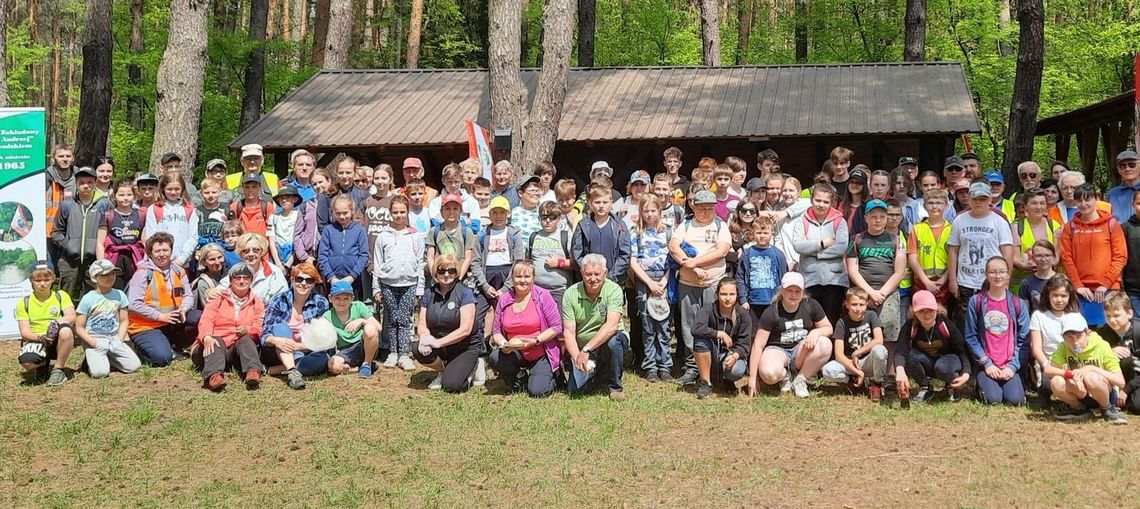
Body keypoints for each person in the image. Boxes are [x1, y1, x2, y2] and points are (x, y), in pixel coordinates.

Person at [670, 189, 732, 386]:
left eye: (710, 208)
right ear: (693, 207)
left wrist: (694, 263)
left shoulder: (720, 225)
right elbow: (673, 246)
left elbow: (722, 251)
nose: (706, 212)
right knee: (689, 325)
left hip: (713, 283)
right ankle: (692, 366)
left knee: (713, 324)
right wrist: (693, 267)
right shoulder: (686, 225)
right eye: (702, 208)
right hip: (688, 284)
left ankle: (714, 365)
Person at [747, 272, 833, 398]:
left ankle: (800, 380)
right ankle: (785, 376)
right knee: (769, 374)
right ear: (782, 290)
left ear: (802, 292)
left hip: (801, 350)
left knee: (825, 344)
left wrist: (815, 332)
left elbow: (829, 328)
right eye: (789, 290)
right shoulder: (771, 311)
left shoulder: (811, 305)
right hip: (777, 350)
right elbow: (758, 345)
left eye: (797, 291)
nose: (793, 294)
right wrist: (753, 377)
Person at [488, 261, 565, 397]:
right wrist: (504, 344)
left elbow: (557, 326)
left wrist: (535, 341)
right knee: (494, 357)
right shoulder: (504, 299)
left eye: (527, 277)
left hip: (541, 352)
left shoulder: (543, 296)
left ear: (533, 278)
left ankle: (554, 376)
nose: (522, 280)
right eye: (518, 277)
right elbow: (496, 331)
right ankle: (520, 377)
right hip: (516, 351)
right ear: (512, 278)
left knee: (537, 392)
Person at [562, 254, 629, 400]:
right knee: (575, 390)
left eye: (597, 274)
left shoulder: (614, 290)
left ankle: (615, 387)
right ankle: (601, 374)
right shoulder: (570, 294)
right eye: (588, 274)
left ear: (605, 273)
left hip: (608, 341)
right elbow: (568, 332)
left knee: (614, 341)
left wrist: (587, 350)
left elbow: (611, 326)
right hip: (584, 348)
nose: (593, 278)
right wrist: (577, 357)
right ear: (581, 274)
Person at [413, 254, 484, 392]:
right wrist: (425, 338)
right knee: (417, 348)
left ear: (456, 272)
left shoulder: (465, 292)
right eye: (441, 270)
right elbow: (422, 324)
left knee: (452, 386)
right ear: (435, 272)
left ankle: (474, 365)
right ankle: (442, 370)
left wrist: (438, 343)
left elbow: (466, 329)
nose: (446, 274)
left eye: (451, 270)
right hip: (440, 344)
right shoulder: (429, 293)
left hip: (464, 347)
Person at [127, 232, 200, 366]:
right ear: (150, 253)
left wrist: (184, 309)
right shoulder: (143, 273)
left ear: (171, 251)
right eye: (157, 251)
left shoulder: (178, 270)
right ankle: (139, 350)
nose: (162, 254)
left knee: (200, 317)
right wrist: (160, 316)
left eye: (165, 250)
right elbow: (133, 304)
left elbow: (188, 295)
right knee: (161, 359)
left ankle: (173, 346)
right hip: (145, 325)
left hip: (171, 321)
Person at [965, 257, 1029, 406]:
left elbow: (1024, 339)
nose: (998, 276)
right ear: (986, 274)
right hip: (987, 364)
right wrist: (987, 364)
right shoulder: (976, 301)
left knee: (1015, 401)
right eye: (993, 272)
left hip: (1009, 365)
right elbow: (970, 336)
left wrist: (1013, 367)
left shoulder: (1017, 303)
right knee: (994, 399)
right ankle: (980, 383)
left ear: (1008, 274)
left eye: (1002, 272)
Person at [1060, 183, 1127, 327]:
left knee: (1110, 337)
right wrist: (1077, 285)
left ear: (1096, 199)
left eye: (1087, 199)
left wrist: (1105, 284)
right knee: (1081, 336)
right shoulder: (1070, 227)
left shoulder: (1112, 225)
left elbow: (1120, 257)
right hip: (1081, 292)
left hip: (1108, 291)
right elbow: (1066, 258)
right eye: (1079, 200)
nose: (1083, 204)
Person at [192, 262, 266, 391]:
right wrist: (206, 337)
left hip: (235, 351)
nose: (242, 281)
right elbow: (206, 319)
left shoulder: (256, 302)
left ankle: (253, 372)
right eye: (237, 277)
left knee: (246, 339)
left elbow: (260, 326)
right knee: (216, 340)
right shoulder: (218, 298)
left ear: (251, 280)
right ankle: (214, 376)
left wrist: (249, 329)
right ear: (231, 280)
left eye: (246, 277)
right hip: (211, 348)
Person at [948, 182, 1015, 323]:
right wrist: (952, 280)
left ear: (990, 200)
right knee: (965, 323)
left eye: (983, 199)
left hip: (991, 281)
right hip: (965, 281)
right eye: (975, 198)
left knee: (990, 322)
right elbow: (953, 250)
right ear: (970, 199)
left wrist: (1006, 279)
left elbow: (1008, 252)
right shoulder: (959, 220)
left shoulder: (999, 221)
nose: (979, 202)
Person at [1045, 313, 1128, 424]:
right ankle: (1080, 409)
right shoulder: (1064, 346)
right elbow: (1048, 370)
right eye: (1069, 337)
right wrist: (1070, 374)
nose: (1075, 343)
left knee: (1091, 377)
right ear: (1063, 337)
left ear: (1087, 333)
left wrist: (1091, 368)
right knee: (1056, 381)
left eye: (1079, 337)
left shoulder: (1102, 346)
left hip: (1103, 391)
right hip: (1079, 392)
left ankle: (1107, 409)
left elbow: (1121, 382)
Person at [372, 195, 425, 370]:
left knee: (404, 319)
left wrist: (419, 287)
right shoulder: (383, 236)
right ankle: (392, 352)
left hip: (409, 284)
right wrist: (376, 287)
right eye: (395, 212)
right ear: (390, 213)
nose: (399, 216)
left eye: (402, 212)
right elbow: (378, 263)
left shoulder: (415, 236)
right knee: (391, 319)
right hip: (388, 283)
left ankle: (404, 353)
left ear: (408, 212)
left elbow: (420, 263)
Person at [845, 199, 906, 350]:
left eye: (882, 216)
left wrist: (882, 294)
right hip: (863, 293)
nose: (878, 220)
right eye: (873, 216)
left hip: (888, 293)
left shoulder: (897, 240)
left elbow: (899, 272)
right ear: (866, 218)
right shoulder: (856, 239)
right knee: (862, 332)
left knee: (890, 334)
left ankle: (889, 371)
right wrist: (870, 293)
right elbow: (852, 269)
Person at [260, 263, 332, 389]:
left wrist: (298, 346)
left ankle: (273, 370)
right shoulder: (279, 300)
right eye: (299, 279)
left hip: (304, 351)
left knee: (323, 359)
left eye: (309, 280)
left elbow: (323, 340)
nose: (303, 283)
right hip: (277, 350)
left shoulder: (320, 302)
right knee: (280, 327)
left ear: (314, 284)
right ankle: (292, 371)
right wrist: (276, 340)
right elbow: (265, 333)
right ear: (292, 280)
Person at [894, 290, 972, 403]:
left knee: (942, 367)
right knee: (909, 356)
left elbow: (962, 350)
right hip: (928, 362)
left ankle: (952, 386)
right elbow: (901, 351)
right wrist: (900, 371)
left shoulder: (945, 325)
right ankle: (925, 387)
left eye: (930, 310)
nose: (926, 315)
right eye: (921, 311)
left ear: (936, 309)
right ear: (914, 312)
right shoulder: (910, 326)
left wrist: (966, 373)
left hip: (948, 361)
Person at [630, 194, 673, 382]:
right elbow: (633, 261)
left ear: (659, 211)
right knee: (647, 325)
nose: (649, 214)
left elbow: (673, 259)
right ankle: (650, 366)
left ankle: (665, 365)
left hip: (664, 279)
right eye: (645, 211)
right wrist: (649, 282)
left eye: (653, 211)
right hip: (644, 280)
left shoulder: (669, 232)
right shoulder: (635, 232)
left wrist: (664, 281)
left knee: (663, 324)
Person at [792, 183, 849, 326]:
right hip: (810, 279)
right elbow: (798, 245)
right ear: (811, 200)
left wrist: (814, 252)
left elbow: (841, 247)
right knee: (811, 322)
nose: (821, 205)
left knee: (832, 321)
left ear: (832, 203)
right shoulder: (802, 220)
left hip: (834, 280)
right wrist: (822, 243)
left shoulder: (839, 221)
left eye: (826, 202)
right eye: (818, 200)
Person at [76, 260, 142, 379]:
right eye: (105, 275)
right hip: (95, 338)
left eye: (112, 273)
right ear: (94, 278)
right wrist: (93, 342)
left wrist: (119, 339)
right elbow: (79, 327)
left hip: (113, 337)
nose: (110, 277)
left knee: (134, 366)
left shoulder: (120, 295)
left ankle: (107, 357)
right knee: (100, 373)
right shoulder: (88, 298)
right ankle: (95, 359)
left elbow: (124, 320)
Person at [16, 261, 77, 386]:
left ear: (53, 278)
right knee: (26, 362)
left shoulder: (61, 296)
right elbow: (25, 332)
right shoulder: (24, 302)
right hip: (38, 339)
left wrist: (56, 323)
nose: (42, 284)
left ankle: (58, 370)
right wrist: (41, 338)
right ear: (31, 280)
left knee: (66, 330)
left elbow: (71, 316)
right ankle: (42, 364)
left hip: (57, 339)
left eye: (47, 279)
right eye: (38, 280)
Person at [821, 287, 888, 401]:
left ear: (867, 304)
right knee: (828, 370)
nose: (858, 309)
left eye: (861, 305)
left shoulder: (871, 316)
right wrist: (858, 371)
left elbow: (879, 339)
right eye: (854, 304)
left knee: (880, 350)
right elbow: (839, 354)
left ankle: (876, 384)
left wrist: (858, 352)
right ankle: (854, 380)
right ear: (847, 304)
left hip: (868, 360)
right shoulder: (842, 323)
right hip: (851, 363)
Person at [691, 277, 752, 398]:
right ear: (717, 294)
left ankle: (728, 380)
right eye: (724, 294)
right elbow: (696, 328)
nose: (728, 298)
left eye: (732, 294)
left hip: (731, 355)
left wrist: (735, 356)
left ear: (737, 295)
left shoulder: (743, 315)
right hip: (711, 352)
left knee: (737, 371)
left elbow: (745, 344)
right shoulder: (707, 309)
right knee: (700, 340)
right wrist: (719, 333)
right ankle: (705, 382)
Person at [52, 166, 107, 300]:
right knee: (67, 298)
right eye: (81, 183)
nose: (86, 186)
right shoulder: (67, 205)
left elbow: (109, 231)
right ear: (76, 184)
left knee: (94, 298)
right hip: (69, 261)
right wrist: (67, 245)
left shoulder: (104, 205)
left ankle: (89, 321)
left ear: (95, 183)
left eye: (89, 182)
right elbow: (56, 231)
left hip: (93, 262)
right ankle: (68, 321)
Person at [1029, 275, 1080, 402]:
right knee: (1048, 385)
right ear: (1048, 295)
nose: (1059, 300)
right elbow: (1036, 348)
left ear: (1069, 296)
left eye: (1063, 296)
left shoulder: (1075, 315)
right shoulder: (1038, 315)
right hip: (1049, 361)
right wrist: (1046, 365)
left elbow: (1080, 344)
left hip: (1071, 360)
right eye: (1055, 295)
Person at [572, 184, 632, 285]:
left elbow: (625, 254)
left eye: (605, 202)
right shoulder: (583, 225)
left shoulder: (619, 225)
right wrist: (590, 274)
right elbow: (577, 252)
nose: (601, 205)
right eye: (597, 202)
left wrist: (611, 276)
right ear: (590, 203)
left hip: (614, 281)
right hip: (589, 282)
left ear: (611, 203)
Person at [324, 280, 382, 377]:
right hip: (345, 351)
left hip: (364, 345)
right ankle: (358, 368)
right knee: (332, 366)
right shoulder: (327, 316)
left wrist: (362, 321)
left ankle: (367, 363)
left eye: (346, 298)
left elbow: (378, 327)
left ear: (352, 299)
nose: (341, 302)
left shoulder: (359, 306)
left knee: (370, 328)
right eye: (337, 298)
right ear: (330, 298)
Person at [736, 216, 787, 324]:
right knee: (753, 332)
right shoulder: (747, 254)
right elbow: (740, 277)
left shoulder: (779, 254)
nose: (762, 236)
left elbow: (784, 277)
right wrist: (743, 300)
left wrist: (782, 298)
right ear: (753, 233)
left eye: (765, 233)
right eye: (759, 233)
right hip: (753, 302)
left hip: (773, 301)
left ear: (772, 233)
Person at [143, 173, 199, 268]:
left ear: (182, 189)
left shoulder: (189, 208)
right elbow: (151, 237)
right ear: (163, 189)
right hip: (160, 262)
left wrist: (182, 259)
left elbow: (193, 237)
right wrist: (162, 256)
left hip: (182, 263)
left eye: (177, 189)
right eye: (169, 189)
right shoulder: (154, 208)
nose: (173, 192)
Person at [97, 179, 145, 289]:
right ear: (114, 196)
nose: (126, 198)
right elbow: (100, 242)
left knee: (134, 292)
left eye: (129, 194)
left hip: (135, 259)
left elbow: (144, 241)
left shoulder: (141, 215)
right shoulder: (108, 215)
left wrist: (145, 262)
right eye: (121, 195)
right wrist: (101, 264)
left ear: (134, 196)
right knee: (116, 291)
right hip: (114, 259)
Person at [908, 188, 953, 306]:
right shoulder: (917, 228)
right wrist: (926, 282)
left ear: (946, 206)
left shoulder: (952, 229)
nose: (934, 206)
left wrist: (942, 281)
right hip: (922, 284)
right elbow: (912, 258)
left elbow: (955, 258)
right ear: (924, 206)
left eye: (939, 203)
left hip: (945, 285)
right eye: (931, 203)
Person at [318, 194, 369, 296]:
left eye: (345, 213)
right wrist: (331, 277)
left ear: (352, 211)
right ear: (332, 213)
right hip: (332, 279)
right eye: (338, 213)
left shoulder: (359, 230)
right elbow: (322, 256)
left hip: (353, 279)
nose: (342, 216)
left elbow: (364, 255)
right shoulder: (328, 230)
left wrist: (352, 276)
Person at [214, 232, 288, 302]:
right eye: (246, 251)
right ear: (240, 254)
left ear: (262, 252)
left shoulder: (274, 272)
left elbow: (281, 302)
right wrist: (212, 292)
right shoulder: (237, 270)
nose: (251, 254)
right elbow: (222, 287)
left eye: (256, 250)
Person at [1011, 188, 1060, 292]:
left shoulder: (1054, 226)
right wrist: (1024, 265)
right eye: (1034, 203)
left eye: (1042, 203)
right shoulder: (1016, 227)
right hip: (1022, 284)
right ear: (1026, 207)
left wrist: (1044, 264)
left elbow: (1056, 257)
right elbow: (1014, 258)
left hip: (1049, 284)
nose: (1038, 207)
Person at [526, 201, 575, 304]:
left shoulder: (566, 236)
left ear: (559, 219)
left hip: (560, 291)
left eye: (552, 218)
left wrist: (558, 263)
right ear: (539, 218)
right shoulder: (534, 237)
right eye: (544, 217)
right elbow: (527, 263)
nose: (548, 221)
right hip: (536, 290)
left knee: (558, 320)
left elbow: (577, 264)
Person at [1100, 291, 1140, 414]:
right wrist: (1109, 351)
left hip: (1136, 379)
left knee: (1137, 407)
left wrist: (1127, 390)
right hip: (1115, 379)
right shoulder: (1103, 333)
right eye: (1108, 316)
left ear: (1129, 313)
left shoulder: (1138, 332)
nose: (1112, 320)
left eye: (1116, 315)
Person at [292, 167, 335, 265]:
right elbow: (297, 233)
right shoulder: (306, 205)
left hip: (329, 256)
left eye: (320, 182)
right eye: (314, 184)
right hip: (308, 257)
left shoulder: (336, 202)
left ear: (329, 180)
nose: (318, 186)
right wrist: (304, 256)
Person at [317, 155, 370, 230]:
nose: (344, 176)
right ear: (336, 173)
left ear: (354, 173)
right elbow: (322, 225)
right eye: (341, 172)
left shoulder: (365, 195)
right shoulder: (327, 196)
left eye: (348, 172)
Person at [45, 143, 77, 267]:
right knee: (49, 271)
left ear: (73, 158)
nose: (65, 159)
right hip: (48, 232)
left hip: (72, 232)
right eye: (61, 156)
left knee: (69, 271)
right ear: (54, 158)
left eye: (68, 156)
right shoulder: (44, 178)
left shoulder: (80, 178)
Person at [1018, 240, 1058, 311]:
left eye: (1047, 255)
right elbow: (1024, 313)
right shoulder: (1026, 283)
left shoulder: (1062, 281)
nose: (1043, 259)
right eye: (1039, 256)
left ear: (1054, 257)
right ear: (1033, 258)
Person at [268, 185, 301, 271]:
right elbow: (271, 242)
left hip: (295, 258)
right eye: (281, 198)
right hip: (277, 259)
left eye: (288, 197)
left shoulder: (299, 216)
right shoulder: (273, 217)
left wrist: (288, 264)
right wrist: (278, 264)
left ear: (295, 199)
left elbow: (300, 242)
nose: (284, 200)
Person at [1107, 150, 1140, 224]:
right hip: (1118, 234)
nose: (1127, 169)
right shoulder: (1112, 194)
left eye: (1132, 165)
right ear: (1118, 169)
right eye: (1122, 166)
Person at [192, 243, 227, 309]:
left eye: (220, 257)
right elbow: (208, 309)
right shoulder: (203, 283)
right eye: (212, 259)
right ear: (204, 262)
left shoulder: (231, 274)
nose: (217, 262)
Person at [511, 174, 544, 239]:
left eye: (537, 191)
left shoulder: (544, 214)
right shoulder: (512, 214)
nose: (536, 194)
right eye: (532, 191)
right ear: (520, 193)